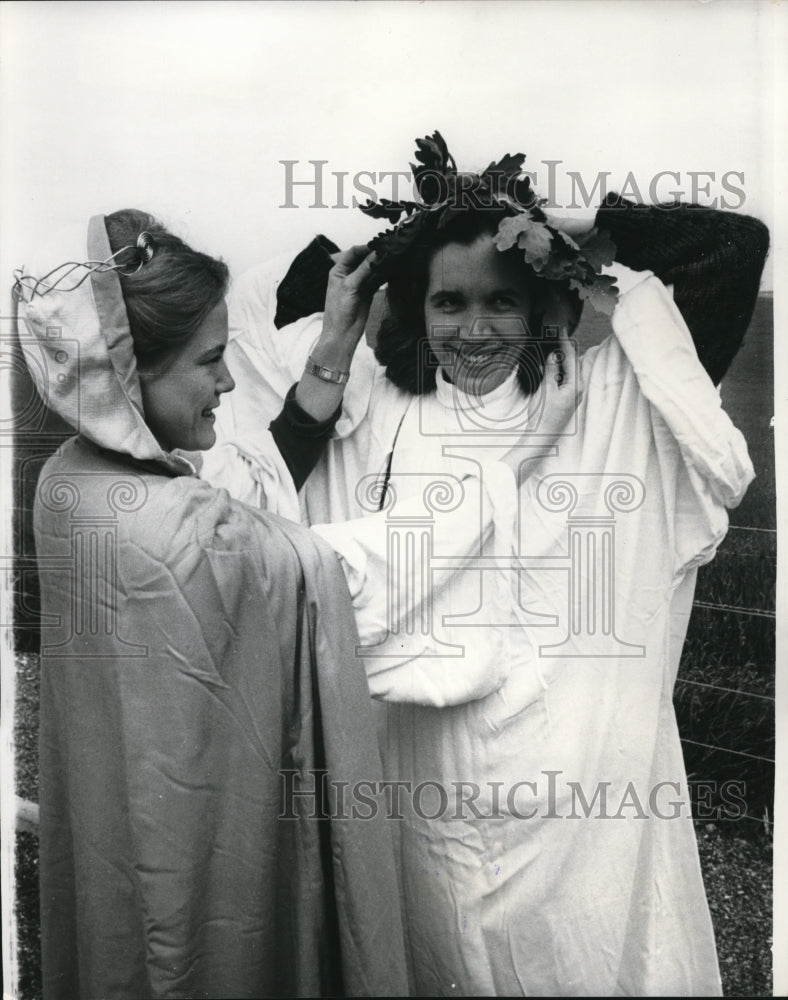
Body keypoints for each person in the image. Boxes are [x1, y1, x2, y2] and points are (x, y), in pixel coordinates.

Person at [203, 132, 769, 996]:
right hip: (418, 796)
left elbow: (731, 248)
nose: (474, 330)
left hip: (577, 803)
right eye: (449, 303)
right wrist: (354, 314)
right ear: (411, 310)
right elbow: (257, 506)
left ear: (545, 304)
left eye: (503, 302)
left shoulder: (602, 397)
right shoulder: (374, 404)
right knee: (436, 961)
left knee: (577, 965)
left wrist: (547, 230)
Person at [15, 211, 417, 1000]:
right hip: (204, 873)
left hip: (117, 833)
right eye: (209, 361)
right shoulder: (188, 530)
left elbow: (251, 484)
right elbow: (297, 560)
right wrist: (472, 514)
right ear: (130, 373)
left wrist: (335, 338)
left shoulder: (74, 478)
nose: (228, 383)